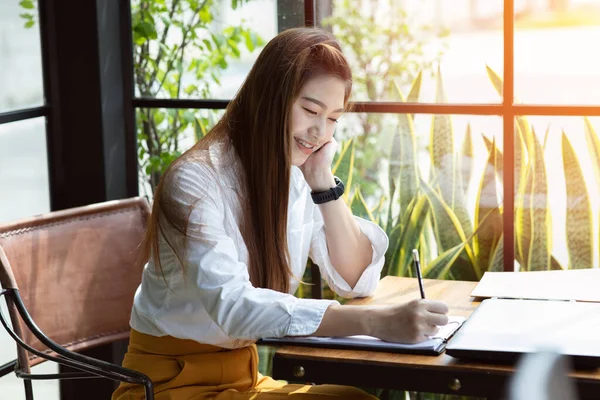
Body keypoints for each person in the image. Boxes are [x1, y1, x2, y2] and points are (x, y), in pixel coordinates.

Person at [113, 27, 449, 400]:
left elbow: (355, 279)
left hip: (243, 376)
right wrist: (376, 322)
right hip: (167, 385)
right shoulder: (196, 180)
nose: (320, 131)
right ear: (270, 98)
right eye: (310, 110)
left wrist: (323, 183)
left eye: (334, 118)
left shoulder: (294, 173)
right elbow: (235, 308)